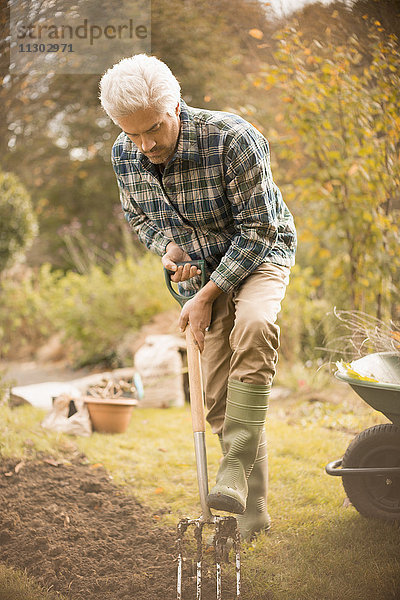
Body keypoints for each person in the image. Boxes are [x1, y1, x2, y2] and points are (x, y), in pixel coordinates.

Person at [99, 54, 296, 540]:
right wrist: (170, 247)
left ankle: (237, 476)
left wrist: (208, 294)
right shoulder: (125, 153)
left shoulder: (233, 139)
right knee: (215, 401)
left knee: (254, 322)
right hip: (199, 272)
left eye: (153, 130)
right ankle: (254, 506)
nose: (145, 146)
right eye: (133, 135)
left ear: (175, 106)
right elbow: (142, 219)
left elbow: (259, 230)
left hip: (259, 254)